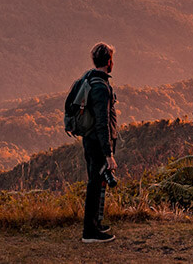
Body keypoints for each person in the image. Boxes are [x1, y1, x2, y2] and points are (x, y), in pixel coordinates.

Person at [72, 42, 118, 243]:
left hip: (89, 140)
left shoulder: (89, 78)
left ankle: (95, 224)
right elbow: (102, 123)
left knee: (98, 183)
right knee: (94, 185)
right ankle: (90, 232)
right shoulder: (101, 87)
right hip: (98, 142)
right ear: (109, 62)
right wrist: (108, 155)